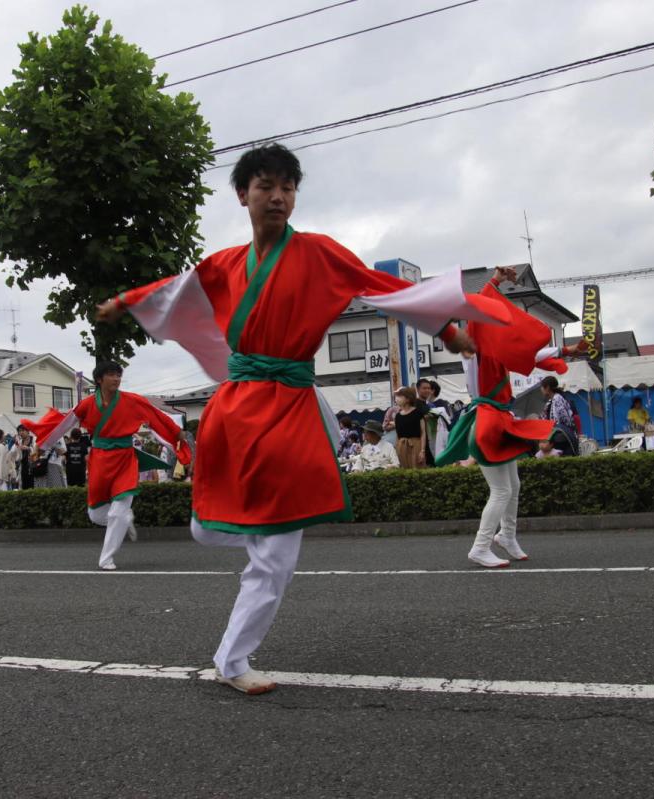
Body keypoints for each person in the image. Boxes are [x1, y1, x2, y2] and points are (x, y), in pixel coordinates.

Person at [97, 142, 506, 694]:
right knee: (208, 526)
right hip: (234, 404)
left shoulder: (319, 253)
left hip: (289, 403)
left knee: (279, 548)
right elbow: (179, 289)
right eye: (266, 185)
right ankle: (245, 547)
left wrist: (447, 327)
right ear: (243, 194)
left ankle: (233, 659)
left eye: (288, 187)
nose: (279, 197)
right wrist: (127, 299)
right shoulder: (225, 264)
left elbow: (384, 287)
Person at [435, 266, 589, 568]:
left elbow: (531, 356)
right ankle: (480, 546)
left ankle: (506, 536)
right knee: (502, 489)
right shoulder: (476, 353)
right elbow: (480, 307)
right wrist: (495, 280)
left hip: (499, 419)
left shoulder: (495, 354)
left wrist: (569, 349)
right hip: (486, 421)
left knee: (513, 486)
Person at [23, 362, 185, 570]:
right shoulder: (87, 404)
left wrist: (178, 434)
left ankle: (106, 558)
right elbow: (63, 424)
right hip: (99, 459)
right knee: (96, 514)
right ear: (99, 379)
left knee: (118, 511)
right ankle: (125, 520)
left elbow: (157, 417)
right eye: (111, 375)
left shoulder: (132, 401)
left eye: (119, 375)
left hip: (126, 459)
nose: (116, 378)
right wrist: (41, 445)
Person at [539, 376, 580, 456]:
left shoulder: (558, 399)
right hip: (557, 437)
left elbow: (566, 421)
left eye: (542, 387)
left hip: (564, 438)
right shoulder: (550, 401)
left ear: (547, 387)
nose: (541, 390)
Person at [417, 379, 452, 466]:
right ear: (418, 389)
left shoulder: (428, 404)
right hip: (421, 440)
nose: (427, 390)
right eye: (424, 388)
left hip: (431, 438)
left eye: (429, 388)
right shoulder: (416, 403)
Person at [392, 386, 427, 468]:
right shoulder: (397, 416)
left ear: (408, 399)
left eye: (400, 396)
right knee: (404, 472)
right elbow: (397, 435)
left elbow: (423, 433)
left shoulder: (417, 413)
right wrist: (396, 449)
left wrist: (422, 450)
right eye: (396, 396)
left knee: (418, 469)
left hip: (416, 444)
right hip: (401, 446)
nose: (397, 398)